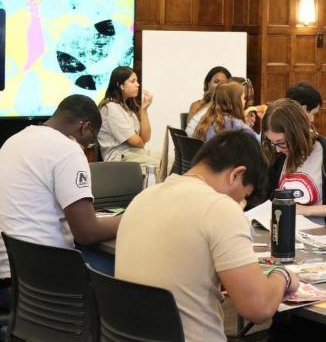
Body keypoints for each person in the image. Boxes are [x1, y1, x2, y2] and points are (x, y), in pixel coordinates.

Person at [115, 131, 299, 342]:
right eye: (244, 196)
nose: (241, 203)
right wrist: (283, 276)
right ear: (236, 174)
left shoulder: (143, 198)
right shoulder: (219, 208)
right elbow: (259, 308)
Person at [0, 95, 121, 306]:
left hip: (10, 274)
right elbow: (87, 233)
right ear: (85, 127)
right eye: (90, 141)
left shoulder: (14, 140)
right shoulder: (67, 149)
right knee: (120, 270)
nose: (87, 147)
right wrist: (133, 218)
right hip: (39, 283)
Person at [260, 98, 326, 232]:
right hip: (285, 234)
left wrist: (306, 210)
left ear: (296, 134)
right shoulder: (279, 156)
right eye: (272, 142)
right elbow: (266, 198)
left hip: (322, 239)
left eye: (281, 142)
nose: (277, 149)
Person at [97, 66, 157, 165]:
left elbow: (145, 138)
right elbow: (136, 142)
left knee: (171, 161)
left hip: (134, 154)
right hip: (120, 159)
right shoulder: (111, 108)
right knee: (166, 165)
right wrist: (141, 142)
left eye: (137, 81)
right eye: (133, 81)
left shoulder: (125, 106)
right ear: (120, 85)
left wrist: (144, 110)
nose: (138, 85)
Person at [191, 82, 258, 142]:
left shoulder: (207, 120)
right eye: (243, 98)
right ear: (235, 102)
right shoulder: (235, 125)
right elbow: (256, 143)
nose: (245, 101)